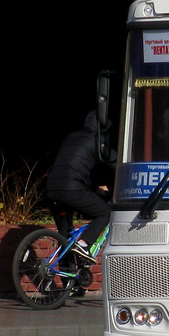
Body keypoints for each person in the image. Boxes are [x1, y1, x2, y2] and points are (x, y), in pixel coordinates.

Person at [46, 111, 111, 265]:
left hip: (52, 189)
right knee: (105, 212)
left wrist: (95, 187)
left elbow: (75, 167)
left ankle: (69, 285)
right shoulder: (97, 140)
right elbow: (113, 161)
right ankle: (84, 243)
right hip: (71, 190)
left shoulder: (72, 137)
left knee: (65, 238)